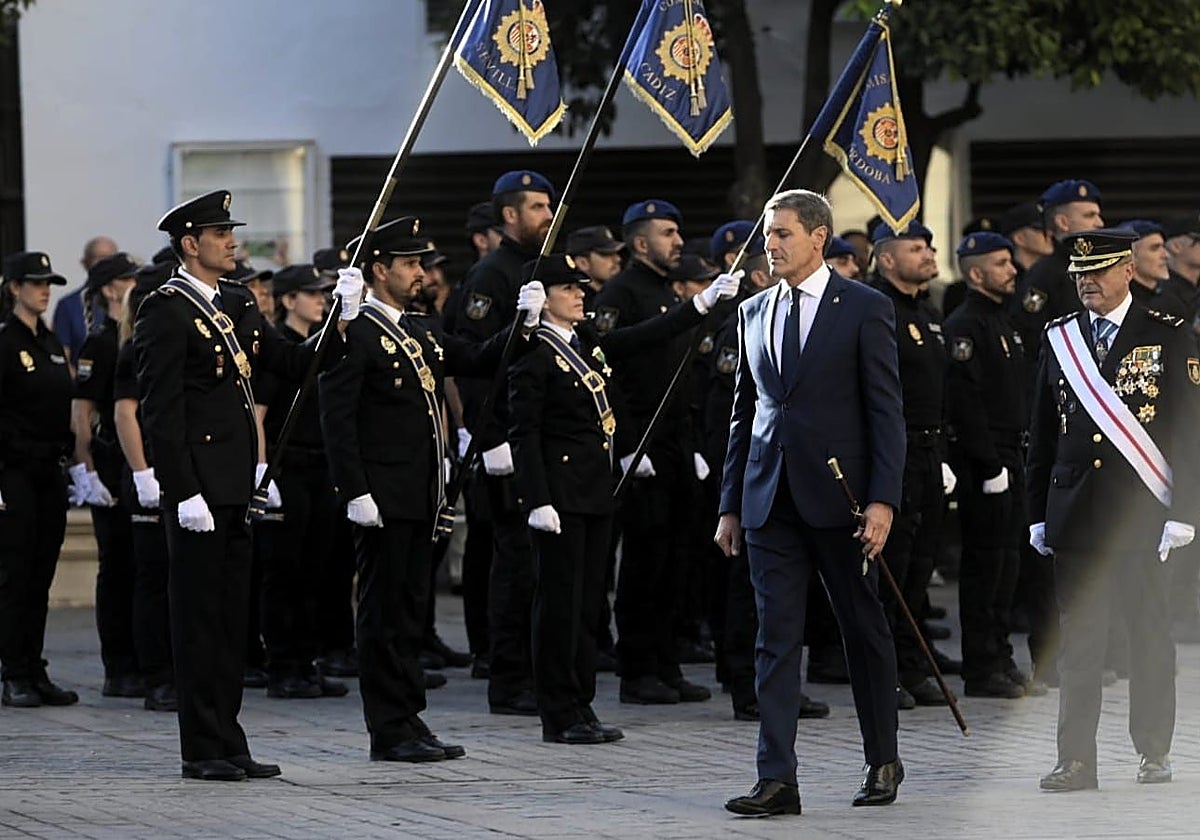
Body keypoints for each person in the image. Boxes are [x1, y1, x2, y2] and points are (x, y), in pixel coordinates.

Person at [133, 189, 364, 781]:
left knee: (232, 619)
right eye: (220, 232)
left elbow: (288, 363)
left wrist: (343, 319)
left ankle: (228, 739)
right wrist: (180, 489)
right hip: (199, 490)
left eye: (230, 231)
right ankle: (201, 748)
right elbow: (161, 409)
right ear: (191, 243)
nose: (233, 240)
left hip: (236, 485)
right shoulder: (165, 308)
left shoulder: (236, 301)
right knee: (199, 619)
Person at [320, 216, 544, 762]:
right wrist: (355, 489)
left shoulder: (417, 328)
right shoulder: (356, 330)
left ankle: (410, 716)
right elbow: (337, 415)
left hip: (421, 495)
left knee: (410, 612)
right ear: (379, 270)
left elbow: (474, 358)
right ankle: (388, 727)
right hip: (381, 497)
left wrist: (524, 323)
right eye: (410, 264)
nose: (421, 273)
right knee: (383, 612)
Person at [716, 190, 905, 816]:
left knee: (862, 629)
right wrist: (730, 504)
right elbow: (745, 415)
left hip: (843, 502)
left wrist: (882, 500)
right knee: (775, 639)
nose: (771, 245)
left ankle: (882, 759)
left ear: (819, 238)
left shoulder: (864, 309)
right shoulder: (753, 311)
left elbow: (885, 412)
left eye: (784, 234)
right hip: (771, 500)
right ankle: (777, 780)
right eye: (769, 236)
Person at [1027, 228, 1200, 791]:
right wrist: (1037, 513)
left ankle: (1153, 752)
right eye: (1079, 274)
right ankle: (1075, 761)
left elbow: (1188, 430)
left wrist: (1185, 511)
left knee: (1149, 638)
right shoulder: (1060, 338)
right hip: (1075, 516)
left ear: (1127, 270)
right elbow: (1042, 435)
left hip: (1142, 514)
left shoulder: (1167, 334)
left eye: (1098, 272)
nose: (1087, 283)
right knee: (1080, 646)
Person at [593, 198, 711, 706]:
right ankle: (637, 669)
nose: (678, 242)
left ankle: (666, 664)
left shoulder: (665, 290)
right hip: (641, 445)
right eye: (667, 233)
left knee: (675, 563)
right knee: (644, 564)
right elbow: (608, 362)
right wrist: (623, 446)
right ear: (640, 242)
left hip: (676, 443)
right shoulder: (622, 292)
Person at [452, 170, 555, 716]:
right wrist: (487, 436)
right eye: (537, 206)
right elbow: (471, 361)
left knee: (536, 563)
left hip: (537, 435)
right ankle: (507, 674)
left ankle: (533, 670)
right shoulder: (491, 276)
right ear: (509, 215)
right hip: (505, 436)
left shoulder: (539, 271)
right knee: (514, 561)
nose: (547, 214)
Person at [943, 232, 1035, 698]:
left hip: (1013, 453)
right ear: (976, 273)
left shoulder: (1005, 322)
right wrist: (987, 462)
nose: (1012, 270)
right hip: (987, 459)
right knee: (985, 566)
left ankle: (1000, 655)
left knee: (1008, 563)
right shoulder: (966, 325)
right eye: (1001, 263)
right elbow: (965, 399)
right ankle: (982, 667)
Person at [251, 264, 349, 700]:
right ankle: (283, 665)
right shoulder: (281, 349)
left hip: (319, 466)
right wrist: (261, 470)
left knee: (317, 569)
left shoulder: (319, 349)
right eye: (311, 294)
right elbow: (259, 415)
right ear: (288, 300)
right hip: (286, 467)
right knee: (284, 571)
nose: (319, 300)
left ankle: (307, 662)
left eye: (323, 294)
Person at [868, 222, 955, 708]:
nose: (928, 254)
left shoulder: (927, 310)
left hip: (929, 452)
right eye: (916, 248)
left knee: (920, 570)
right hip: (894, 452)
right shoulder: (877, 309)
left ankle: (912, 665)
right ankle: (886, 674)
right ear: (886, 259)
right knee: (891, 573)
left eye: (929, 246)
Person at [0, 251, 79, 709]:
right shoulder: (6, 342)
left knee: (41, 575)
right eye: (35, 283)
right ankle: (14, 673)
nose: (44, 289)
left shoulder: (48, 341)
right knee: (16, 573)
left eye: (48, 282)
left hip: (49, 471)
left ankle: (34, 667)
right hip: (14, 472)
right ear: (14, 288)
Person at [70, 252, 141, 698]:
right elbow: (82, 414)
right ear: (111, 288)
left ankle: (140, 655)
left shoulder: (135, 335)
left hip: (136, 465)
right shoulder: (101, 341)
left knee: (140, 566)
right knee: (117, 567)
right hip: (111, 464)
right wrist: (86, 471)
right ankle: (118, 664)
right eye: (128, 280)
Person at [112, 260, 178, 712]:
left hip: (178, 470)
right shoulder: (135, 345)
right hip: (150, 472)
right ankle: (156, 675)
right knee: (154, 577)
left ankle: (176, 670)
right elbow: (124, 413)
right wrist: (142, 473)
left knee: (178, 578)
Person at [51, 235, 118, 364]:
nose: (106, 265)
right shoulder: (68, 305)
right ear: (85, 262)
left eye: (112, 259)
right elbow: (62, 358)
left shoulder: (130, 301)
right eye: (100, 258)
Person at [565, 225, 625, 312]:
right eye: (606, 254)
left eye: (616, 253)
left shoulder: (621, 295)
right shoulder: (577, 304)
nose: (617, 259)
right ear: (583, 263)